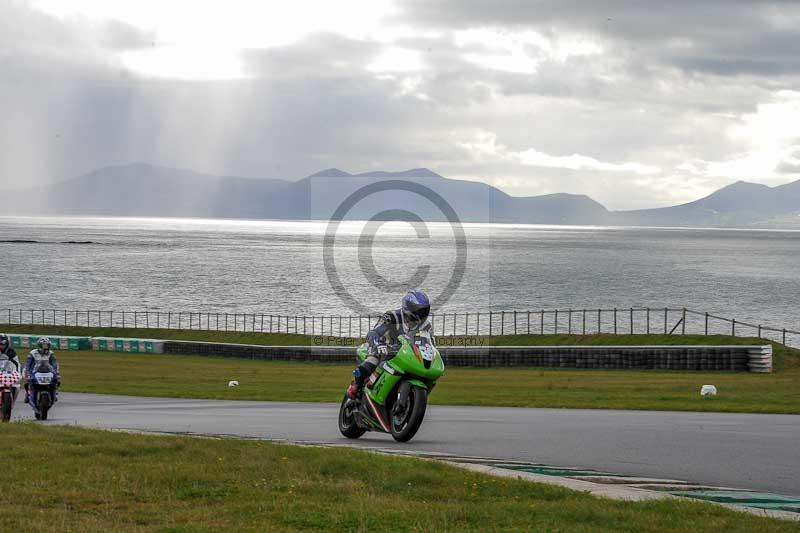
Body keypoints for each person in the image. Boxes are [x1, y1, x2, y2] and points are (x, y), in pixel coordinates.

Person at [347, 289, 434, 398]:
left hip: (405, 355)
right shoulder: (392, 316)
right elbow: (374, 332)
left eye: (425, 310)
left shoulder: (426, 326)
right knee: (373, 360)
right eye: (419, 310)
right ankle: (356, 384)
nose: (422, 314)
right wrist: (379, 344)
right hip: (383, 349)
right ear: (409, 307)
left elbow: (430, 344)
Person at [23, 337, 60, 403]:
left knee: (57, 380)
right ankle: (28, 393)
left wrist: (56, 372)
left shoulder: (51, 353)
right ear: (40, 345)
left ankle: (55, 393)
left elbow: (55, 363)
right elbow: (28, 364)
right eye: (44, 345)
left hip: (47, 371)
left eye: (48, 345)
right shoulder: (32, 353)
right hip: (33, 371)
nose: (46, 347)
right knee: (27, 382)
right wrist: (28, 373)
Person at [0, 334, 21, 401]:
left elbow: (17, 363)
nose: (2, 346)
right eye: (1, 344)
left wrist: (17, 372)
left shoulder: (11, 351)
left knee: (16, 385)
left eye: (4, 344)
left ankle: (13, 399)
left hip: (7, 371)